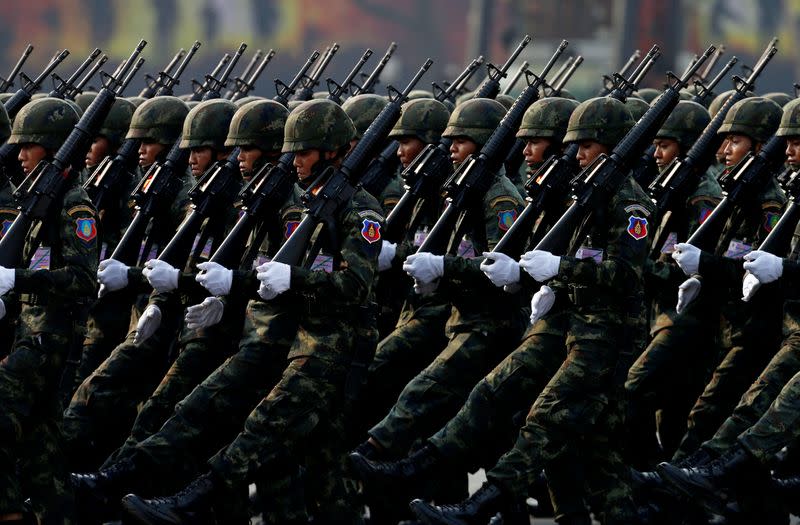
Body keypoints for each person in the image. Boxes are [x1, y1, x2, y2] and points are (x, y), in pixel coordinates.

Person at [407, 96, 654, 525]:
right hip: (575, 329)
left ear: (612, 148)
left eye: (587, 147)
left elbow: (629, 275)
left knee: (545, 421)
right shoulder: (587, 196)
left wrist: (559, 269)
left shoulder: (629, 204)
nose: (576, 154)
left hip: (610, 338)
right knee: (590, 449)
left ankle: (481, 504)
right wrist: (541, 278)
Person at [0, 97, 96, 524]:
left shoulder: (73, 203)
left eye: (30, 146)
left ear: (54, 148)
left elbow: (81, 280)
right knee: (42, 457)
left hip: (52, 340)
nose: (20, 155)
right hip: (30, 335)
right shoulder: (34, 200)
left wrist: (18, 281)